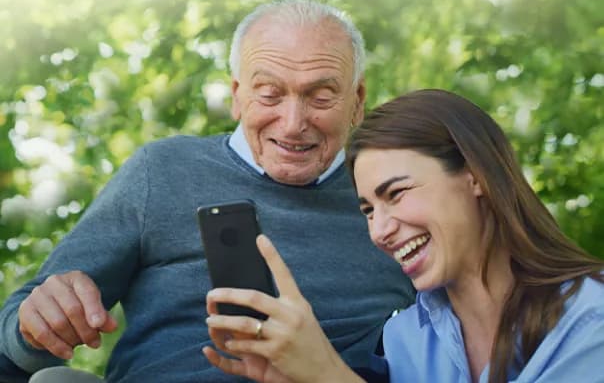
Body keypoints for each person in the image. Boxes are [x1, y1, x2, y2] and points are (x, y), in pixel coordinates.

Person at [0, 0, 415, 383]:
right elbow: (16, 336)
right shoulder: (163, 171)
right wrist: (36, 325)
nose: (292, 123)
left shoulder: (392, 199)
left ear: (357, 101)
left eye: (321, 97)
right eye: (269, 94)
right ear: (237, 96)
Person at [203, 89, 604, 383]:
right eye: (367, 210)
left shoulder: (591, 319)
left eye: (396, 194)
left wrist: (327, 374)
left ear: (476, 177)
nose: (379, 230)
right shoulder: (404, 339)